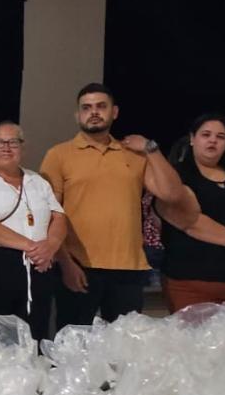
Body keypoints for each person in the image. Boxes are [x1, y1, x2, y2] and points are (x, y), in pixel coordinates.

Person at [40, 83, 201, 329]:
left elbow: (172, 194)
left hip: (129, 268)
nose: (94, 112)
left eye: (100, 106)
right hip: (80, 266)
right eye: (87, 108)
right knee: (71, 350)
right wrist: (66, 263)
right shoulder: (59, 155)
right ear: (78, 115)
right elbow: (50, 214)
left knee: (124, 353)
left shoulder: (134, 154)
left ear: (114, 112)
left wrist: (150, 149)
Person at [0, 121, 66, 341]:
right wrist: (32, 247)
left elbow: (58, 217)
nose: (6, 147)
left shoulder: (37, 181)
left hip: (40, 266)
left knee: (37, 332)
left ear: (22, 147)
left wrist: (50, 246)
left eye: (13, 142)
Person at [159, 113, 225, 312]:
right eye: (206, 134)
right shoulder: (176, 177)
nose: (213, 140)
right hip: (189, 281)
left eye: (220, 137)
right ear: (192, 139)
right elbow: (193, 223)